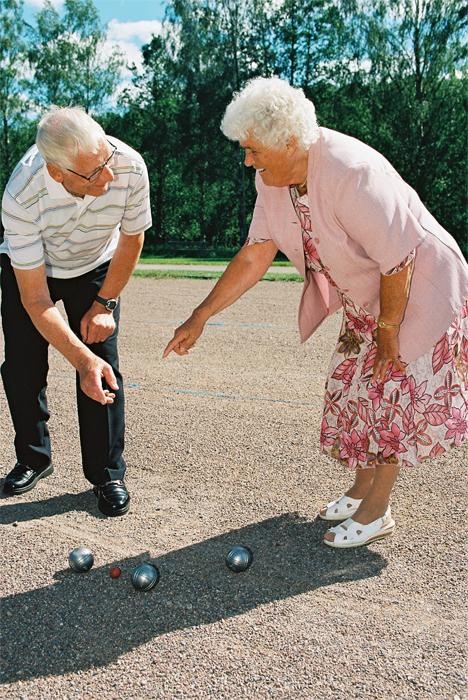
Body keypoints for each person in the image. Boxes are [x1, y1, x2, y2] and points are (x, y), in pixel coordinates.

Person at [163, 76, 467, 548]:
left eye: (253, 149)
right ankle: (361, 487)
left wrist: (389, 332)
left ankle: (376, 511)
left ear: (287, 140)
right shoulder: (272, 178)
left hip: (417, 286)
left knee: (386, 390)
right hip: (370, 294)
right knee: (352, 388)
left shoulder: (352, 170)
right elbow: (255, 253)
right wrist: (200, 315)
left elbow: (398, 257)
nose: (247, 160)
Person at [1, 107, 151, 516]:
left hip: (95, 265)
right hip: (32, 272)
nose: (108, 177)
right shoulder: (21, 193)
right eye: (92, 173)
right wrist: (78, 358)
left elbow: (132, 239)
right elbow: (35, 299)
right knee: (22, 364)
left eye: (106, 160)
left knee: (102, 360)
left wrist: (105, 303)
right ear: (56, 172)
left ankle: (107, 473)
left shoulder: (129, 167)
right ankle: (34, 459)